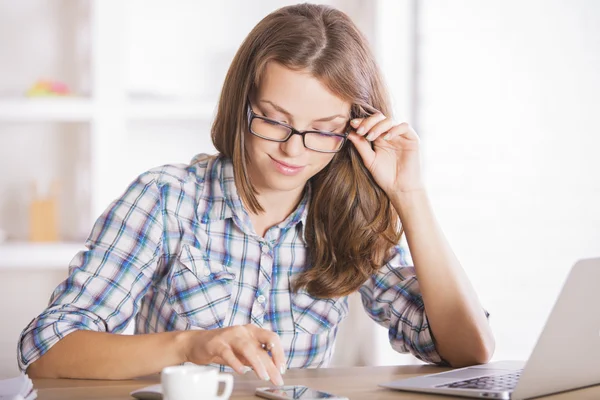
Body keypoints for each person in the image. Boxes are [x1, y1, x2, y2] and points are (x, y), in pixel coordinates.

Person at [17, 3, 494, 386]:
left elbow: (468, 350)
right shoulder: (167, 200)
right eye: (274, 119)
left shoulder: (347, 215)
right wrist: (189, 346)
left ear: (352, 131)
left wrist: (409, 195)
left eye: (323, 131)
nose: (293, 149)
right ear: (241, 104)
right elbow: (46, 350)